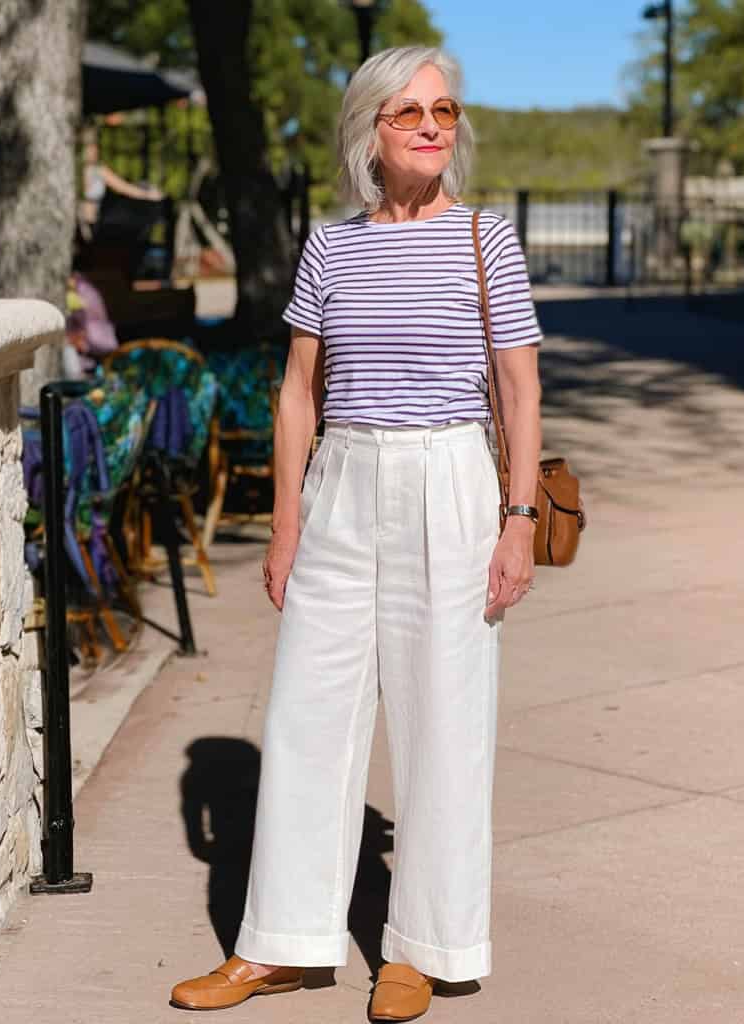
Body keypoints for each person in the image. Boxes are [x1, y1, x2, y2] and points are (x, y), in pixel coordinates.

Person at [171, 45, 543, 1022]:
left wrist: (518, 522)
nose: (430, 125)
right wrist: (287, 522)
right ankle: (283, 944)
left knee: (444, 721)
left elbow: (518, 386)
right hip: (343, 480)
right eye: (408, 111)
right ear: (370, 131)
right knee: (305, 715)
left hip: (451, 477)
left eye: (445, 110)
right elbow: (299, 390)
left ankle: (424, 945)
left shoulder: (485, 239)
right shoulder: (331, 248)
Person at [79, 130, 163, 237]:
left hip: (89, 220)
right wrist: (147, 195)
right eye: (93, 146)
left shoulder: (88, 169)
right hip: (89, 221)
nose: (96, 150)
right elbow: (123, 188)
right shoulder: (98, 169)